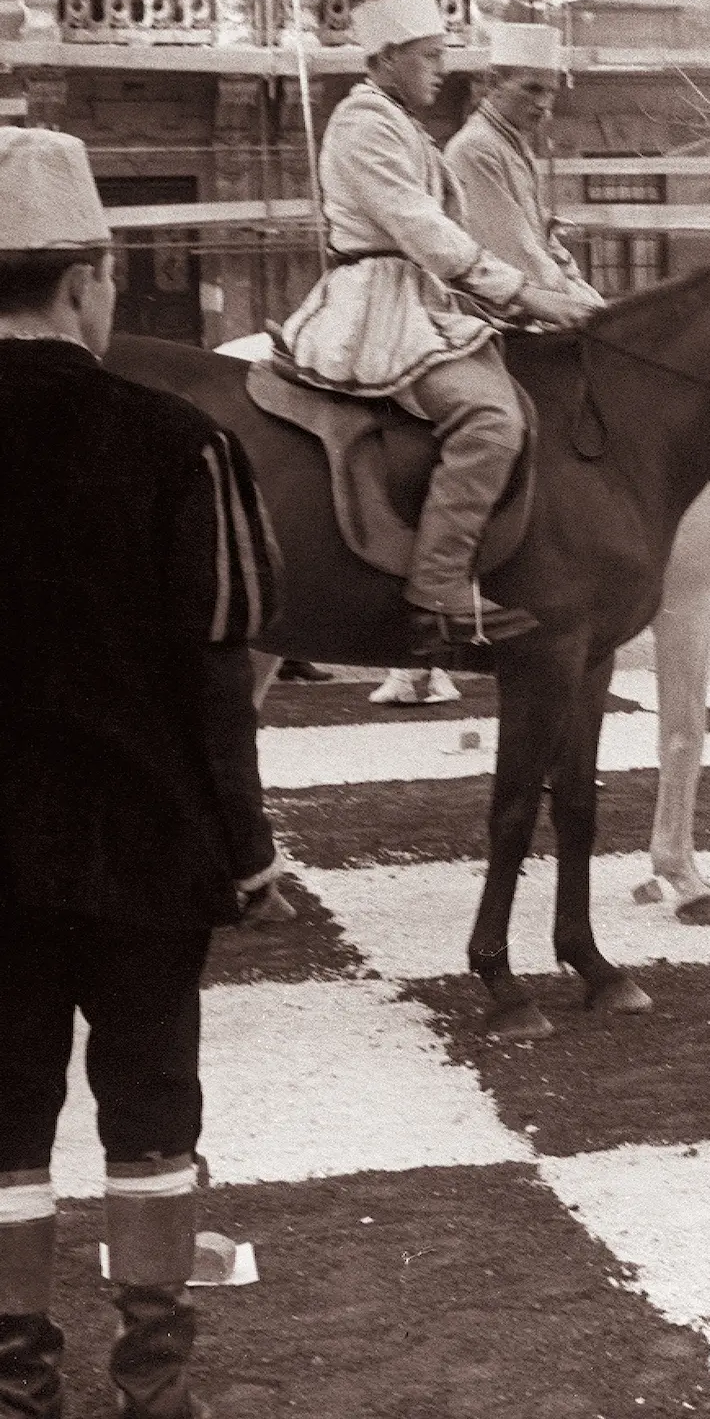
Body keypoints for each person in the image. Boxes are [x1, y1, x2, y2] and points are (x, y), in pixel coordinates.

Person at [0, 128, 284, 1419]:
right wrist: (248, 850)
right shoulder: (180, 445)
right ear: (87, 284)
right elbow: (217, 672)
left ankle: (17, 1385)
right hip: (146, 851)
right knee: (151, 1113)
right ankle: (154, 1387)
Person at [279, 0, 594, 655]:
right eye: (427, 56)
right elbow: (424, 231)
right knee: (491, 418)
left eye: (441, 55)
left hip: (418, 297)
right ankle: (439, 589)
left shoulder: (399, 122)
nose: (439, 70)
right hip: (378, 302)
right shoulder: (363, 123)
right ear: (388, 57)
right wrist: (527, 297)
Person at [444, 22, 605, 316]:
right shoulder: (476, 148)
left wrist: (584, 292)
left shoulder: (513, 144)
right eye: (532, 88)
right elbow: (516, 252)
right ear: (493, 83)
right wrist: (580, 304)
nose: (544, 104)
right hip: (500, 312)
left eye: (551, 92)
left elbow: (542, 238)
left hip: (540, 298)